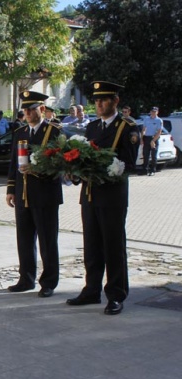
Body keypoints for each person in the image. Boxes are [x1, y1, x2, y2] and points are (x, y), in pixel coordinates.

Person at [66, 81, 139, 315]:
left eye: (104, 99)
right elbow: (84, 159)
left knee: (113, 246)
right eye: (96, 100)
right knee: (92, 245)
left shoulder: (126, 127)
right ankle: (91, 290)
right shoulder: (93, 127)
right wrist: (75, 172)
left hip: (112, 196)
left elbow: (129, 163)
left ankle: (116, 294)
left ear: (115, 101)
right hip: (89, 194)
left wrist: (108, 168)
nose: (98, 104)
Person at [6, 91, 62, 298]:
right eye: (25, 110)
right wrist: (11, 189)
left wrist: (38, 170)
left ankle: (49, 281)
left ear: (42, 109)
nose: (28, 113)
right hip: (23, 193)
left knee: (47, 240)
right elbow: (13, 163)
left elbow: (59, 165)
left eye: (31, 109)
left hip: (45, 194)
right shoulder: (20, 133)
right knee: (24, 238)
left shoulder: (54, 132)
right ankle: (26, 278)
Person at [141, 106, 162, 176]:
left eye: (155, 111)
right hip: (146, 138)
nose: (153, 113)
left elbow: (159, 132)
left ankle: (153, 170)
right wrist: (142, 138)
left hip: (154, 138)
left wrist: (153, 141)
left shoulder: (159, 120)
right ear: (150, 112)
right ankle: (145, 170)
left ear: (157, 112)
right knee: (145, 155)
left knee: (153, 156)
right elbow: (143, 129)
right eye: (152, 111)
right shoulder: (146, 119)